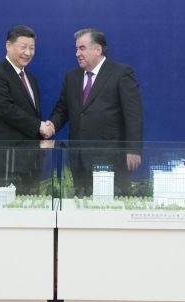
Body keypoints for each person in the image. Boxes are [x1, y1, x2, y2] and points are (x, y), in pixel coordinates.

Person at [46, 28, 143, 196]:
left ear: (98, 49)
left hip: (111, 158)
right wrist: (51, 125)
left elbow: (133, 113)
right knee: (81, 206)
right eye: (76, 49)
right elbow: (63, 109)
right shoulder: (72, 77)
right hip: (79, 159)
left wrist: (133, 149)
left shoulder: (121, 73)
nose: (77, 53)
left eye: (82, 48)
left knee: (111, 206)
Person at [0, 25, 54, 195]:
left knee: (30, 208)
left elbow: (31, 114)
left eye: (32, 48)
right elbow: (6, 110)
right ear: (8, 45)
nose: (28, 53)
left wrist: (43, 134)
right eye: (23, 47)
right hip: (6, 163)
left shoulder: (31, 78)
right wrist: (39, 126)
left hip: (30, 163)